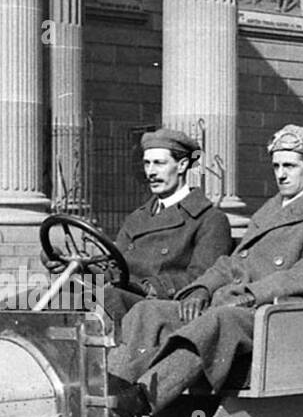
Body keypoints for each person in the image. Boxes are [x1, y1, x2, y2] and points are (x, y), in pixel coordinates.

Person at [107, 124, 303, 417]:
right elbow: (234, 263)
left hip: (283, 317)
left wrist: (251, 294)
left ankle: (140, 400)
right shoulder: (273, 209)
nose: (281, 174)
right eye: (276, 166)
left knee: (222, 320)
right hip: (246, 308)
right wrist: (201, 288)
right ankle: (110, 390)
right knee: (150, 312)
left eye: (289, 166)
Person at [41, 127, 232, 322]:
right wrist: (75, 264)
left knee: (103, 299)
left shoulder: (209, 219)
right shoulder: (137, 218)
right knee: (35, 298)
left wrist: (149, 286)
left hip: (161, 309)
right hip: (123, 299)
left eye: (159, 164)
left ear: (182, 165)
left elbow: (202, 278)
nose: (151, 172)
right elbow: (114, 267)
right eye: (147, 164)